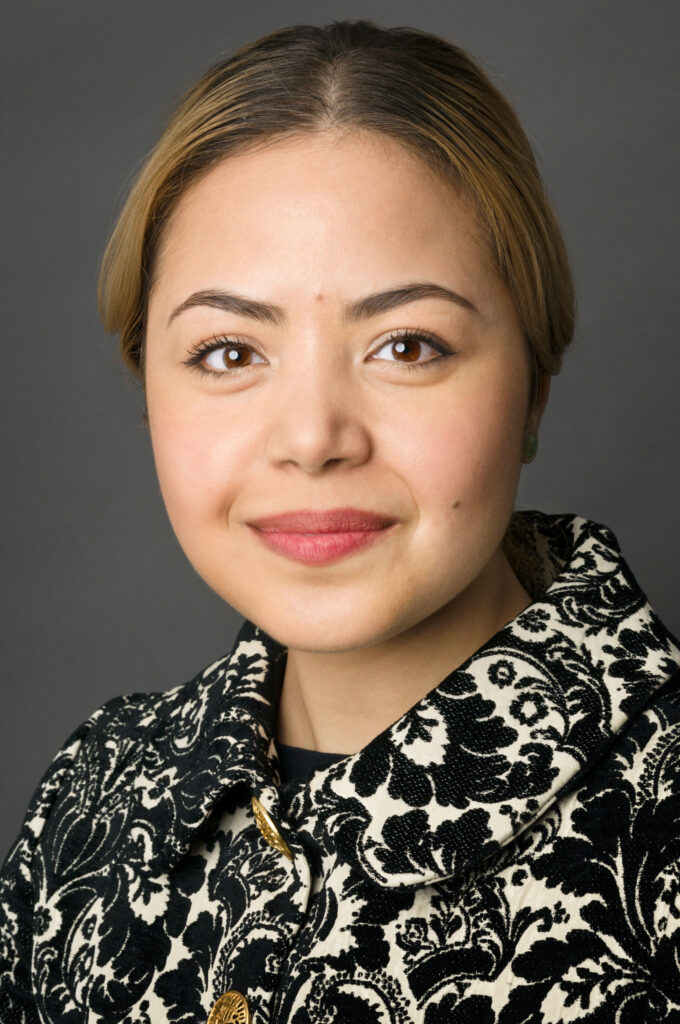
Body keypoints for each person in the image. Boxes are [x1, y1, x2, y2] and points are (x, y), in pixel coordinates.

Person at [1, 18, 678, 1024]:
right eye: (229, 352)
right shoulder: (95, 792)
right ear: (149, 387)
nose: (312, 438)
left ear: (531, 387)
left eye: (406, 345)